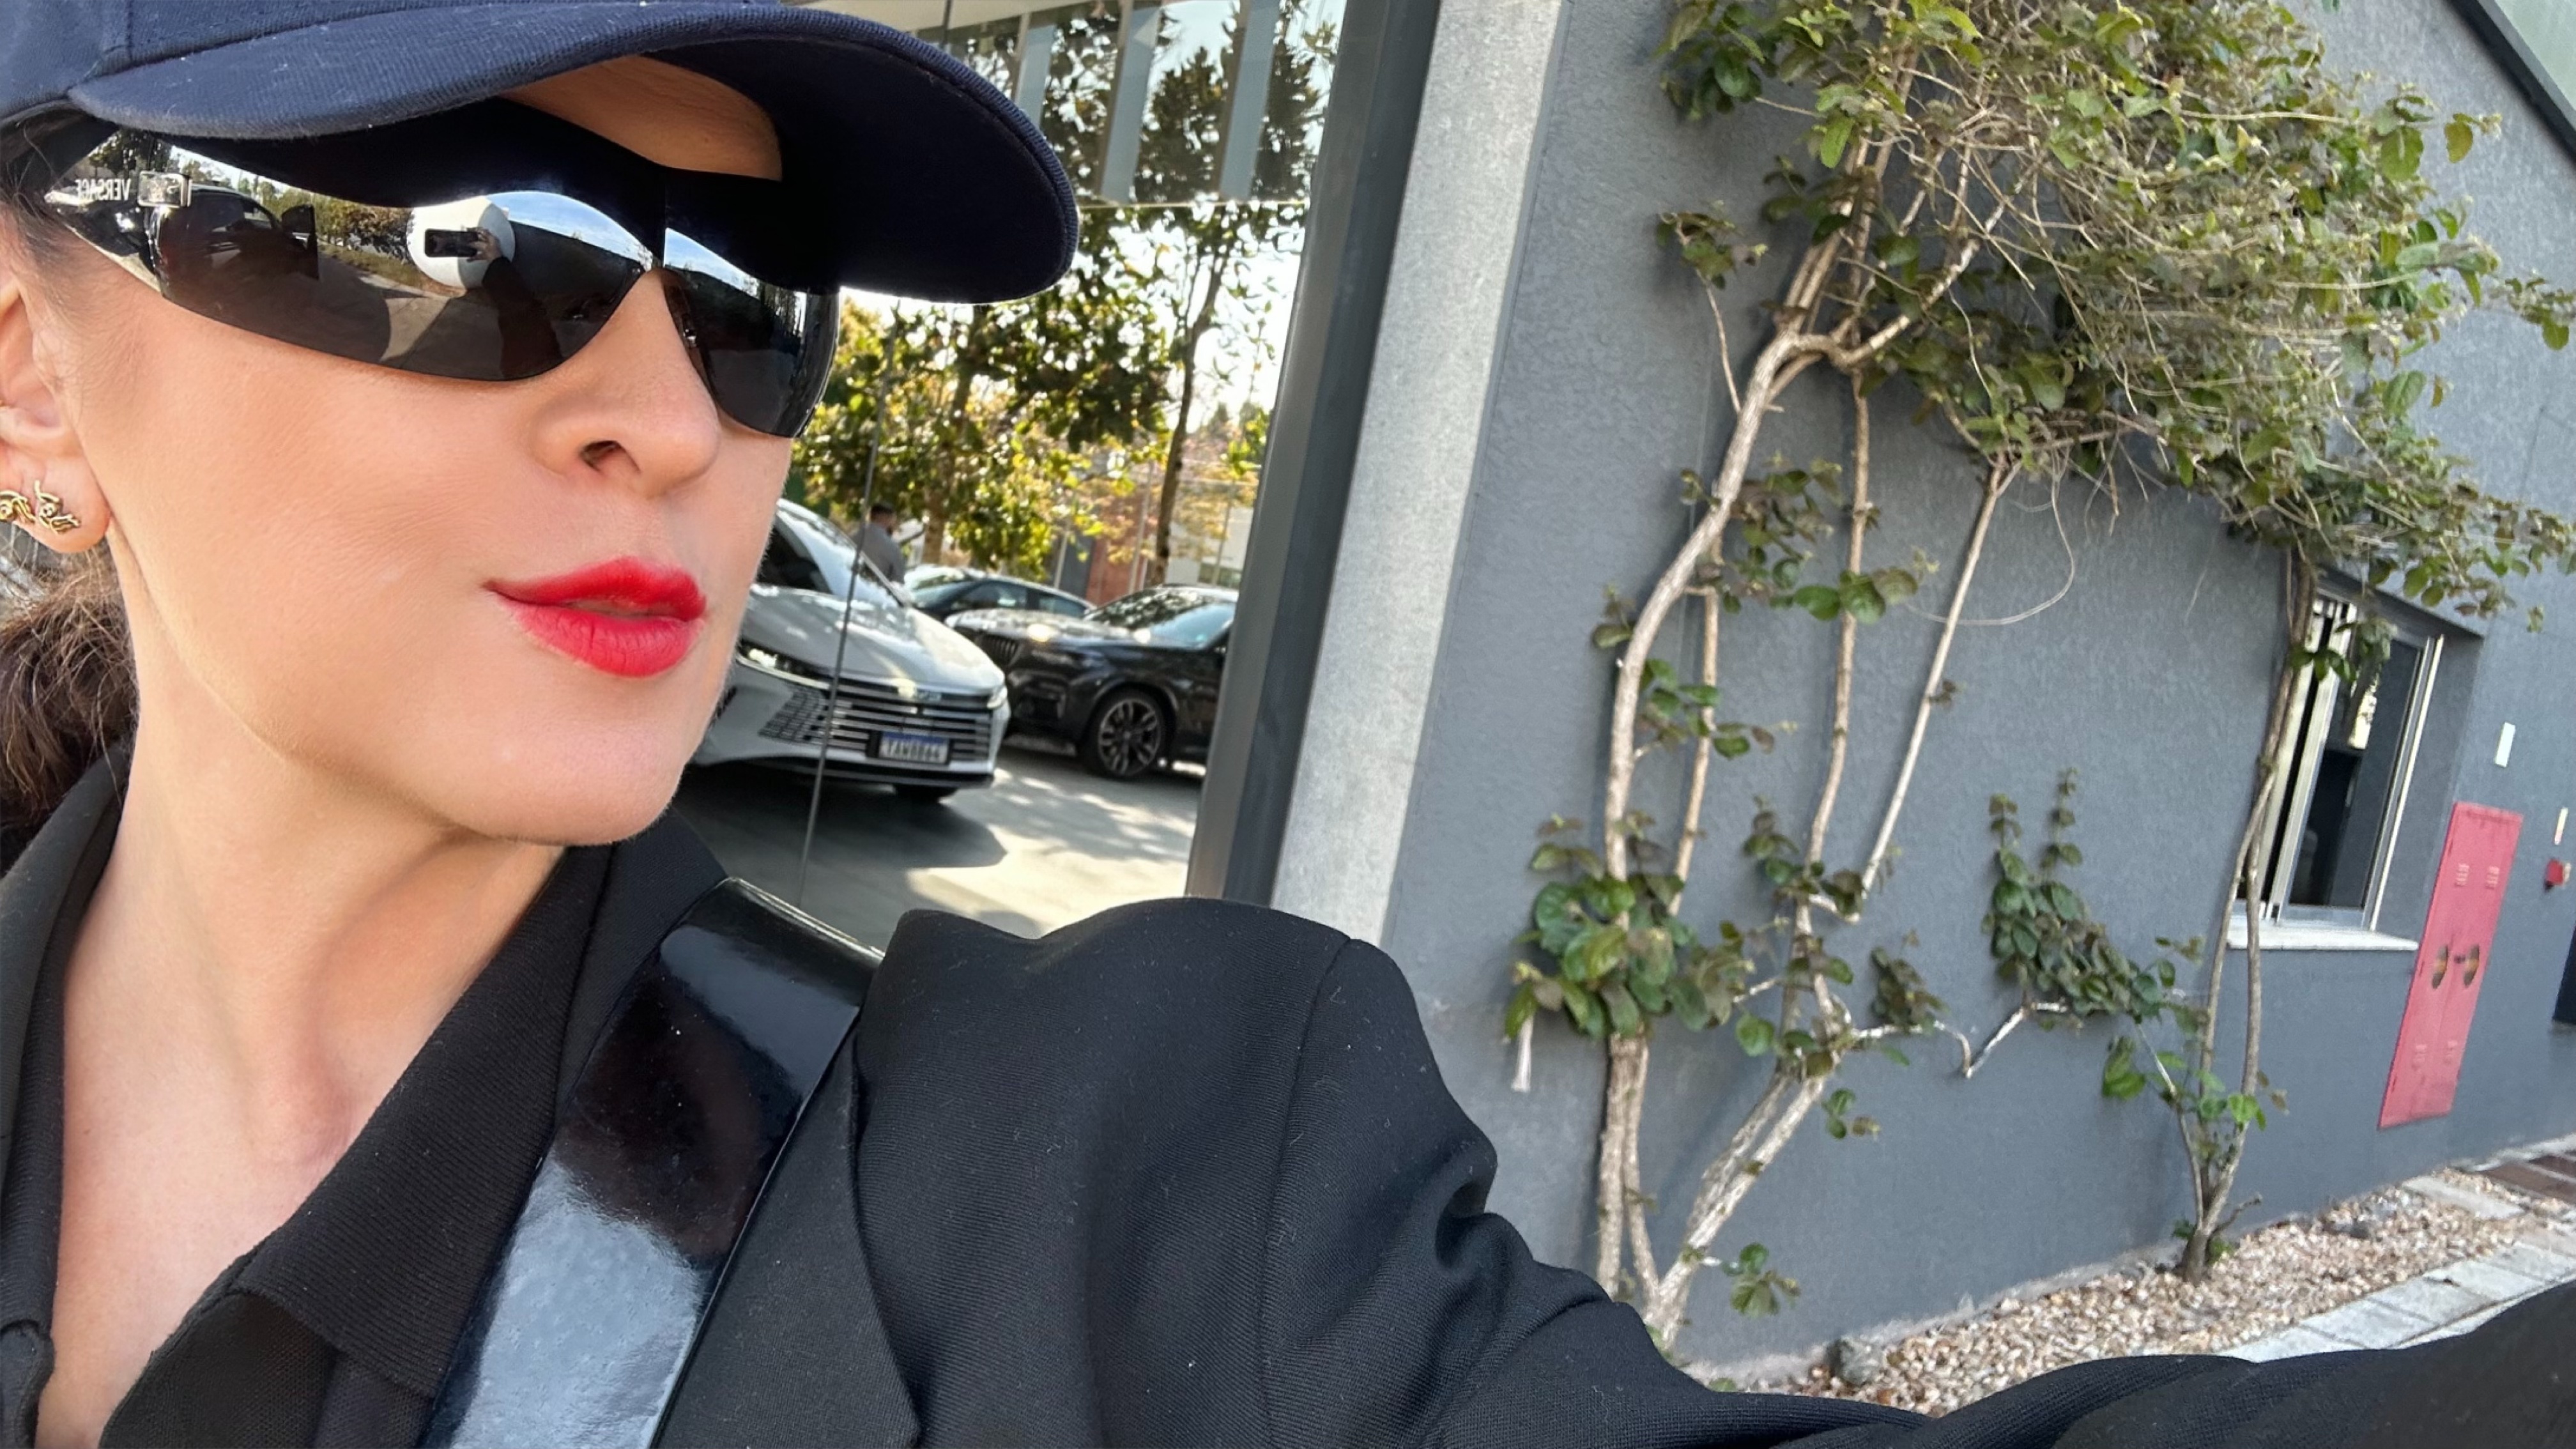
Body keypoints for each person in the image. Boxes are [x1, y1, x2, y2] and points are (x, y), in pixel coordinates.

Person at [0, 3, 2565, 1447]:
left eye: (757, 297)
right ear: (31, 358)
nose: (672, 417)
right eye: (487, 241)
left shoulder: (1127, 1185)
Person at [858, 502, 906, 582]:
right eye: (893, 520)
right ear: (887, 519)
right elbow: (898, 579)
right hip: (874, 588)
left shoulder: (852, 537)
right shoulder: (892, 547)